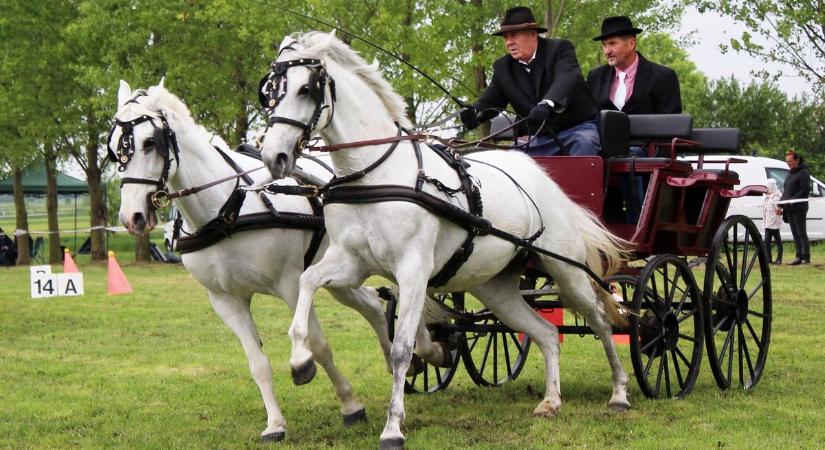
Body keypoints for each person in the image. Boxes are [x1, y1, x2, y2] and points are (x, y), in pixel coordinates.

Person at [459, 6, 600, 156]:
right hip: (538, 138)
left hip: (577, 130)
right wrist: (474, 112)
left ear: (533, 34)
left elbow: (566, 77)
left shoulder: (560, 49)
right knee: (511, 158)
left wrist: (547, 104)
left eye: (514, 35)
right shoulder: (503, 67)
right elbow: (490, 101)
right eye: (505, 37)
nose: (509, 42)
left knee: (586, 142)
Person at [586, 16, 682, 115]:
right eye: (604, 45)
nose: (606, 51)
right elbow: (587, 119)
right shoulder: (595, 77)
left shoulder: (663, 77)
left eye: (612, 43)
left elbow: (671, 124)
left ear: (631, 43)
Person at [778, 150, 811, 265]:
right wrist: (780, 205)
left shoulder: (804, 173)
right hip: (789, 208)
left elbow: (805, 190)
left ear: (797, 160)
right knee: (795, 232)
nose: (788, 163)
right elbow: (786, 192)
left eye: (790, 161)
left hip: (799, 207)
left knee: (801, 232)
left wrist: (792, 200)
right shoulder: (790, 173)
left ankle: (806, 257)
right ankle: (798, 256)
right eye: (787, 161)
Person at [763, 179, 783, 265]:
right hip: (767, 224)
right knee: (767, 242)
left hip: (774, 224)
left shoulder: (776, 198)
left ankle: (779, 259)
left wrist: (777, 220)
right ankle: (768, 259)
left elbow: (779, 211)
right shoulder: (768, 198)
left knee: (778, 241)